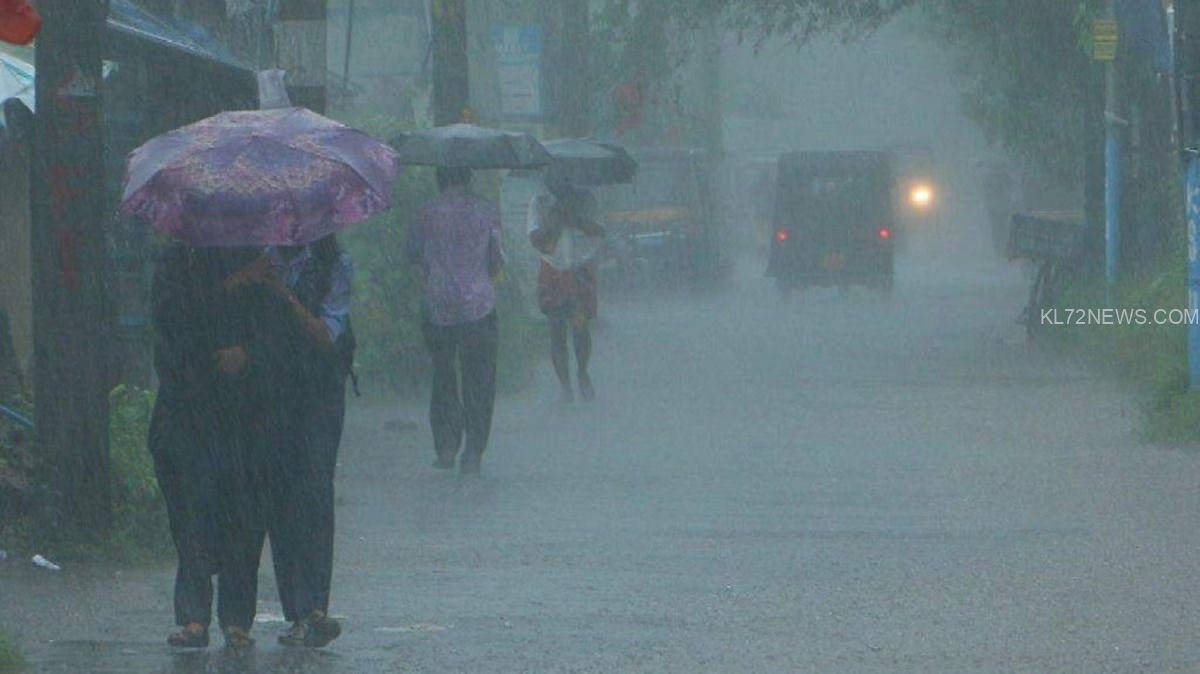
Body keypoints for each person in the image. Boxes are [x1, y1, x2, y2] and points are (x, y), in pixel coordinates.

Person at [224, 234, 354, 648]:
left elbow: (325, 334)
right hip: (267, 394)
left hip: (318, 394)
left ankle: (314, 607)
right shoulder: (255, 258)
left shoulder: (333, 264)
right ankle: (296, 610)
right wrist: (248, 280)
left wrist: (284, 295)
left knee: (314, 493)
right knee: (277, 498)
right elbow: (226, 309)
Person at [149, 243, 263, 651]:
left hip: (242, 410)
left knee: (242, 517)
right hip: (187, 407)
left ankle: (237, 619)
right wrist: (228, 287)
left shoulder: (254, 254)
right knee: (191, 515)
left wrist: (249, 353)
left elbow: (274, 326)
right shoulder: (175, 260)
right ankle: (193, 615)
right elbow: (172, 323)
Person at [407, 167, 505, 474]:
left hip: (438, 307)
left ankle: (447, 447)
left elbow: (413, 254)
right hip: (479, 307)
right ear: (468, 178)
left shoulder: (425, 213)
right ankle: (473, 452)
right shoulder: (487, 211)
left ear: (439, 179)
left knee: (444, 376)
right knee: (480, 380)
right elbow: (496, 259)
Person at [528, 180, 606, 403]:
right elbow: (535, 239)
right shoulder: (539, 203)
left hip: (580, 267)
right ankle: (565, 386)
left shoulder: (587, 199)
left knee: (580, 327)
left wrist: (575, 219)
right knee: (556, 330)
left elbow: (599, 231)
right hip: (552, 269)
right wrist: (555, 222)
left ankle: (582, 372)